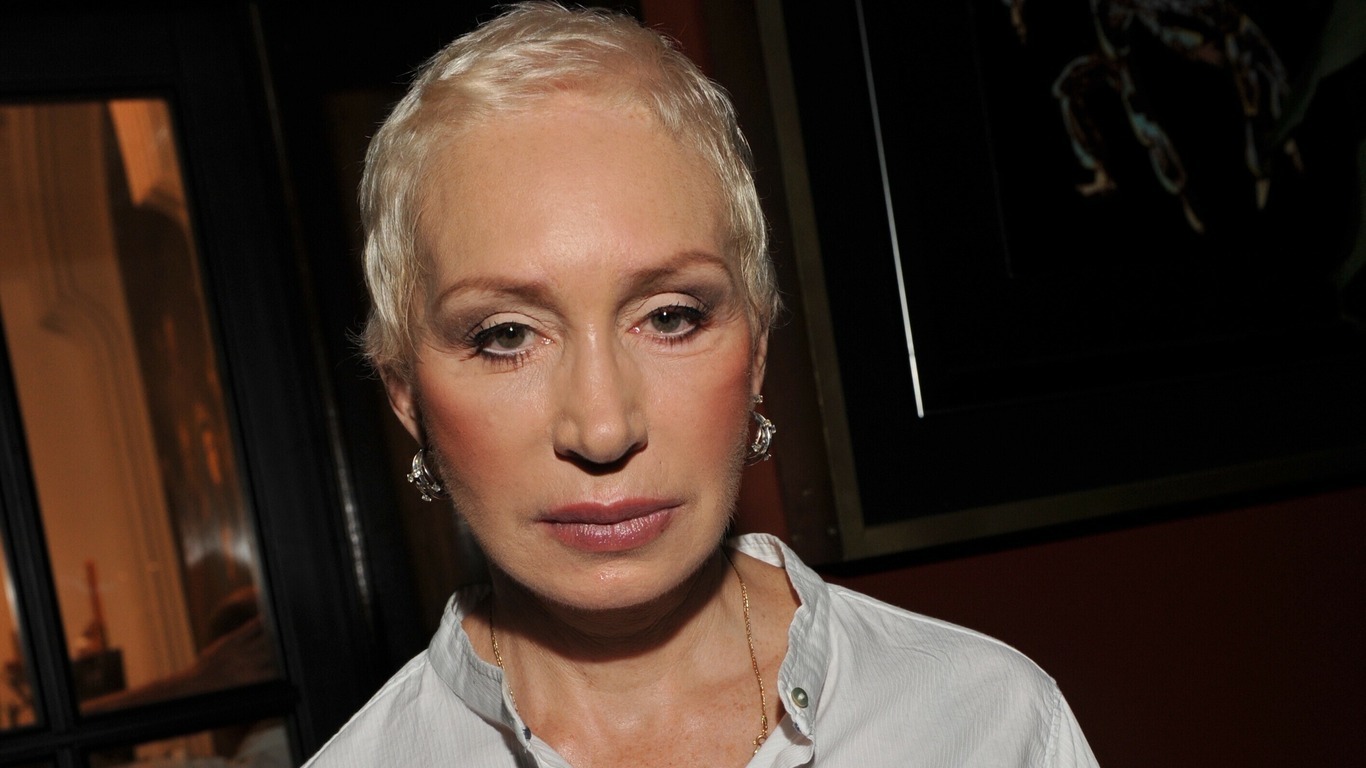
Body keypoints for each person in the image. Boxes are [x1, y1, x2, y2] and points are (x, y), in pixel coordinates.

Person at [305, 3, 1100, 766]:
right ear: (406, 394)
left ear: (756, 354)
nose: (604, 428)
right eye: (506, 335)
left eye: (670, 317)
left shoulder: (988, 724)